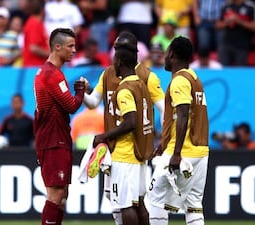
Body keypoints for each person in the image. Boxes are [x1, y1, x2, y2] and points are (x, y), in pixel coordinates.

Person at [83, 31, 165, 225]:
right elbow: (94, 102)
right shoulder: (109, 73)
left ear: (119, 55)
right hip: (119, 148)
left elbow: (163, 110)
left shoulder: (147, 77)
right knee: (131, 202)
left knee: (124, 203)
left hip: (126, 149)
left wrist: (164, 139)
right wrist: (85, 92)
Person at [145, 36, 209, 225]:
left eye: (166, 53)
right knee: (193, 205)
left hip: (183, 152)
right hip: (201, 152)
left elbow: (183, 116)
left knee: (155, 197)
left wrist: (176, 153)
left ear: (171, 54)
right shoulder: (195, 78)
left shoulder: (180, 81)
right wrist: (164, 143)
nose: (164, 57)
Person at [33, 28, 85, 225]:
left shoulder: (48, 72)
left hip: (56, 137)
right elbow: (71, 105)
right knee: (56, 194)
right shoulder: (51, 74)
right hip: (54, 139)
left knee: (62, 194)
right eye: (70, 46)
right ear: (57, 46)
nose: (74, 50)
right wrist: (80, 90)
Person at [215, 0, 255, 66]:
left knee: (240, 72)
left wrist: (239, 21)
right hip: (226, 44)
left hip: (242, 45)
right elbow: (217, 26)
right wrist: (227, 22)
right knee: (223, 70)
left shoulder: (250, 7)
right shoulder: (226, 7)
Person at [22, 0, 49, 67]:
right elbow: (33, 47)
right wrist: (51, 55)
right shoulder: (34, 24)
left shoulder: (35, 23)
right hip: (34, 66)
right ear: (42, 10)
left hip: (37, 67)